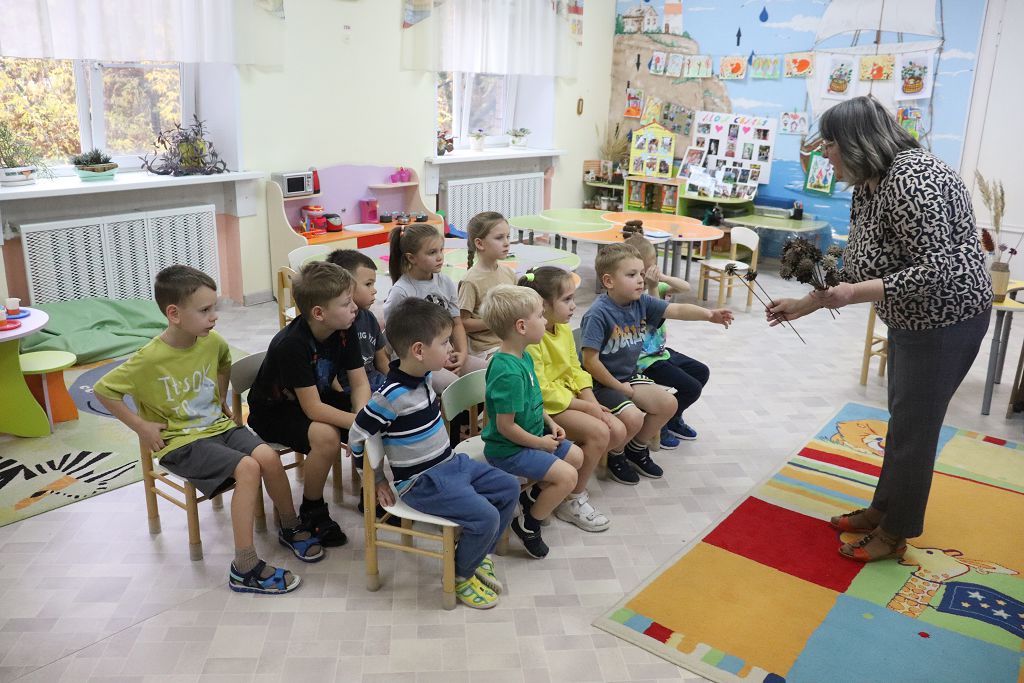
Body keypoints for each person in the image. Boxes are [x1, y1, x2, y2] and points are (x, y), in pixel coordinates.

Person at [768, 95, 992, 562]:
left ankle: (895, 532)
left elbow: (940, 270)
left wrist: (856, 293)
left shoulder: (913, 178)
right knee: (904, 422)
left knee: (915, 430)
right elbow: (857, 262)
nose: (823, 154)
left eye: (829, 144)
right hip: (913, 318)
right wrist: (805, 305)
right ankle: (881, 510)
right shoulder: (869, 183)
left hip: (947, 319)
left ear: (856, 141)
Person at [95, 265, 321, 595]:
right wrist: (141, 426)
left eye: (213, 308)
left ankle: (289, 526)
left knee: (268, 458)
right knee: (248, 467)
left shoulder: (211, 341)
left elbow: (224, 361)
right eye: (204, 310)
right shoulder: (149, 359)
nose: (214, 316)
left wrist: (220, 397)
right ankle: (244, 567)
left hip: (217, 427)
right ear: (174, 314)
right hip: (180, 442)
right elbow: (104, 390)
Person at [347, 298, 519, 609]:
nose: (451, 348)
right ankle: (460, 575)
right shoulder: (390, 396)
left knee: (508, 486)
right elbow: (357, 434)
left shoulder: (424, 376)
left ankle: (477, 554)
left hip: (450, 464)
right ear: (419, 350)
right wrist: (374, 478)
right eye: (444, 342)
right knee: (487, 516)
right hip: (421, 483)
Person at [580, 244, 733, 482]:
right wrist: (619, 387)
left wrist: (709, 315)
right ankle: (616, 454)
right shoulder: (598, 314)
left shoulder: (641, 302)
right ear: (609, 281)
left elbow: (677, 309)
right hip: (600, 383)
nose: (641, 280)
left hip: (628, 375)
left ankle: (636, 448)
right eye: (632, 275)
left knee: (668, 404)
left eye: (641, 273)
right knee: (633, 418)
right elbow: (590, 362)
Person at [247, 261, 371, 548]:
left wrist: (363, 417)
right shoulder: (292, 344)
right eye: (346, 303)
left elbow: (360, 383)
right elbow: (313, 409)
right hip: (273, 412)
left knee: (380, 413)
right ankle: (312, 509)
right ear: (318, 313)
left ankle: (374, 493)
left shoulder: (345, 327)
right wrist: (362, 423)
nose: (355, 308)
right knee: (327, 436)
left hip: (314, 398)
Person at [480, 285, 586, 558]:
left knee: (576, 456)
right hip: (508, 450)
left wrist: (550, 423)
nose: (545, 320)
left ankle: (529, 498)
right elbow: (505, 427)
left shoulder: (524, 356)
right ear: (521, 326)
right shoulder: (507, 373)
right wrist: (540, 443)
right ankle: (529, 524)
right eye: (540, 315)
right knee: (568, 477)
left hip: (533, 438)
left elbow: (533, 400)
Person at [519, 266, 624, 529]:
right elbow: (541, 391)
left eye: (573, 298)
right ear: (543, 305)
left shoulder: (563, 328)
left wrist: (592, 404)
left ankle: (551, 486)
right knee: (600, 432)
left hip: (566, 397)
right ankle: (571, 499)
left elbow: (575, 369)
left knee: (618, 431)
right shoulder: (532, 337)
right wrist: (587, 408)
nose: (574, 306)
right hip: (545, 406)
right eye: (567, 299)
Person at [626, 234, 709, 449]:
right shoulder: (632, 296)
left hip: (661, 352)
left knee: (701, 372)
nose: (652, 268)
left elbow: (685, 287)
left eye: (654, 263)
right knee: (691, 387)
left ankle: (672, 417)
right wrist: (653, 286)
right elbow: (654, 315)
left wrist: (661, 278)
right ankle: (660, 424)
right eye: (649, 265)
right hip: (644, 360)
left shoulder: (657, 285)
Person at [382, 223, 486, 393]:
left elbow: (456, 323)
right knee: (457, 388)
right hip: (418, 363)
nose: (440, 257)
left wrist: (462, 353)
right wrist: (434, 358)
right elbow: (395, 340)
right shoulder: (401, 292)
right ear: (411, 258)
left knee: (488, 372)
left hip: (445, 353)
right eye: (432, 252)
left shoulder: (446, 282)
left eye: (441, 250)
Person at [325, 249, 390, 392]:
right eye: (368, 284)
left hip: (376, 381)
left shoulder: (369, 318)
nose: (374, 290)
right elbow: (332, 380)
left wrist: (396, 384)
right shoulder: (334, 325)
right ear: (345, 286)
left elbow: (382, 361)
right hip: (350, 389)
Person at [458, 211, 517, 358]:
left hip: (510, 341)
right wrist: (495, 321)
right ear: (479, 243)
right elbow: (463, 323)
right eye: (499, 238)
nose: (506, 242)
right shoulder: (470, 281)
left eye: (508, 236)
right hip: (486, 348)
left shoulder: (509, 273)